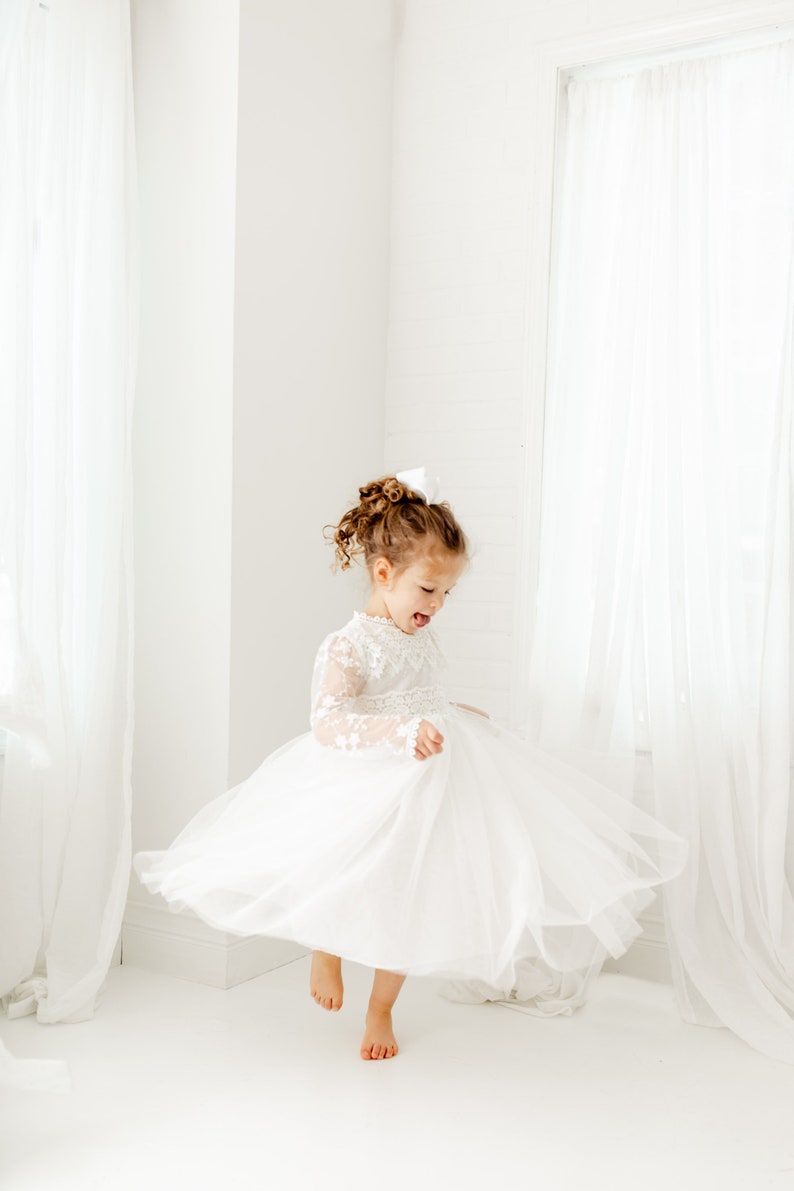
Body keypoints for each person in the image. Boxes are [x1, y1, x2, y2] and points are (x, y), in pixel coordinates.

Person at [134, 468, 687, 1061]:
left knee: (410, 897)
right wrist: (399, 730)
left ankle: (380, 1011)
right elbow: (328, 722)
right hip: (368, 779)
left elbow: (421, 694)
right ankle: (327, 945)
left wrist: (456, 715)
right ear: (383, 573)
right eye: (428, 590)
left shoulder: (420, 635)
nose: (438, 605)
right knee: (351, 877)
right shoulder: (347, 645)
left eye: (447, 593)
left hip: (431, 779)